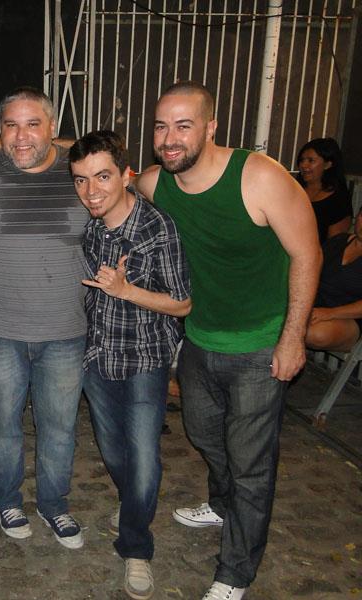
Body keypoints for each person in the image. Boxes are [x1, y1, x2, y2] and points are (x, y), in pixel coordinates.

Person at [134, 81, 321, 600]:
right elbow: (111, 183)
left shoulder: (260, 177)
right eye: (161, 126)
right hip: (198, 340)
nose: (169, 138)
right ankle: (222, 504)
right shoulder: (156, 183)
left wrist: (292, 338)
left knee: (250, 465)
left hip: (260, 346)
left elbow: (307, 254)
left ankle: (234, 572)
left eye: (184, 125)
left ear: (211, 127)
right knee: (203, 433)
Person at [70, 130, 191, 600]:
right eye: (81, 180)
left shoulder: (157, 228)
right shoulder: (92, 226)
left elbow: (182, 303)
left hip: (145, 357)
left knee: (142, 457)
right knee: (114, 451)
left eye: (102, 177)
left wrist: (127, 291)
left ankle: (136, 546)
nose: (91, 191)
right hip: (98, 354)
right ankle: (133, 504)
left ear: (126, 175)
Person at [0, 87, 89, 548]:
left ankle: (54, 505)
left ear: (53, 128)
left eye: (33, 124)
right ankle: (7, 499)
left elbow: (122, 177)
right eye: (11, 125)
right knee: (3, 426)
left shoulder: (80, 169)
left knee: (59, 428)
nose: (21, 137)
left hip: (65, 330)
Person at [306, 209, 362, 352]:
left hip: (349, 316)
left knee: (314, 334)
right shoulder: (339, 240)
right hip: (314, 304)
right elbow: (310, 270)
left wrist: (330, 313)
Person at [296, 137, 352, 246]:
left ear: (328, 164)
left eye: (311, 160)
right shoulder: (294, 188)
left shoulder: (338, 199)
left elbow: (334, 244)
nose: (303, 165)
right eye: (302, 160)